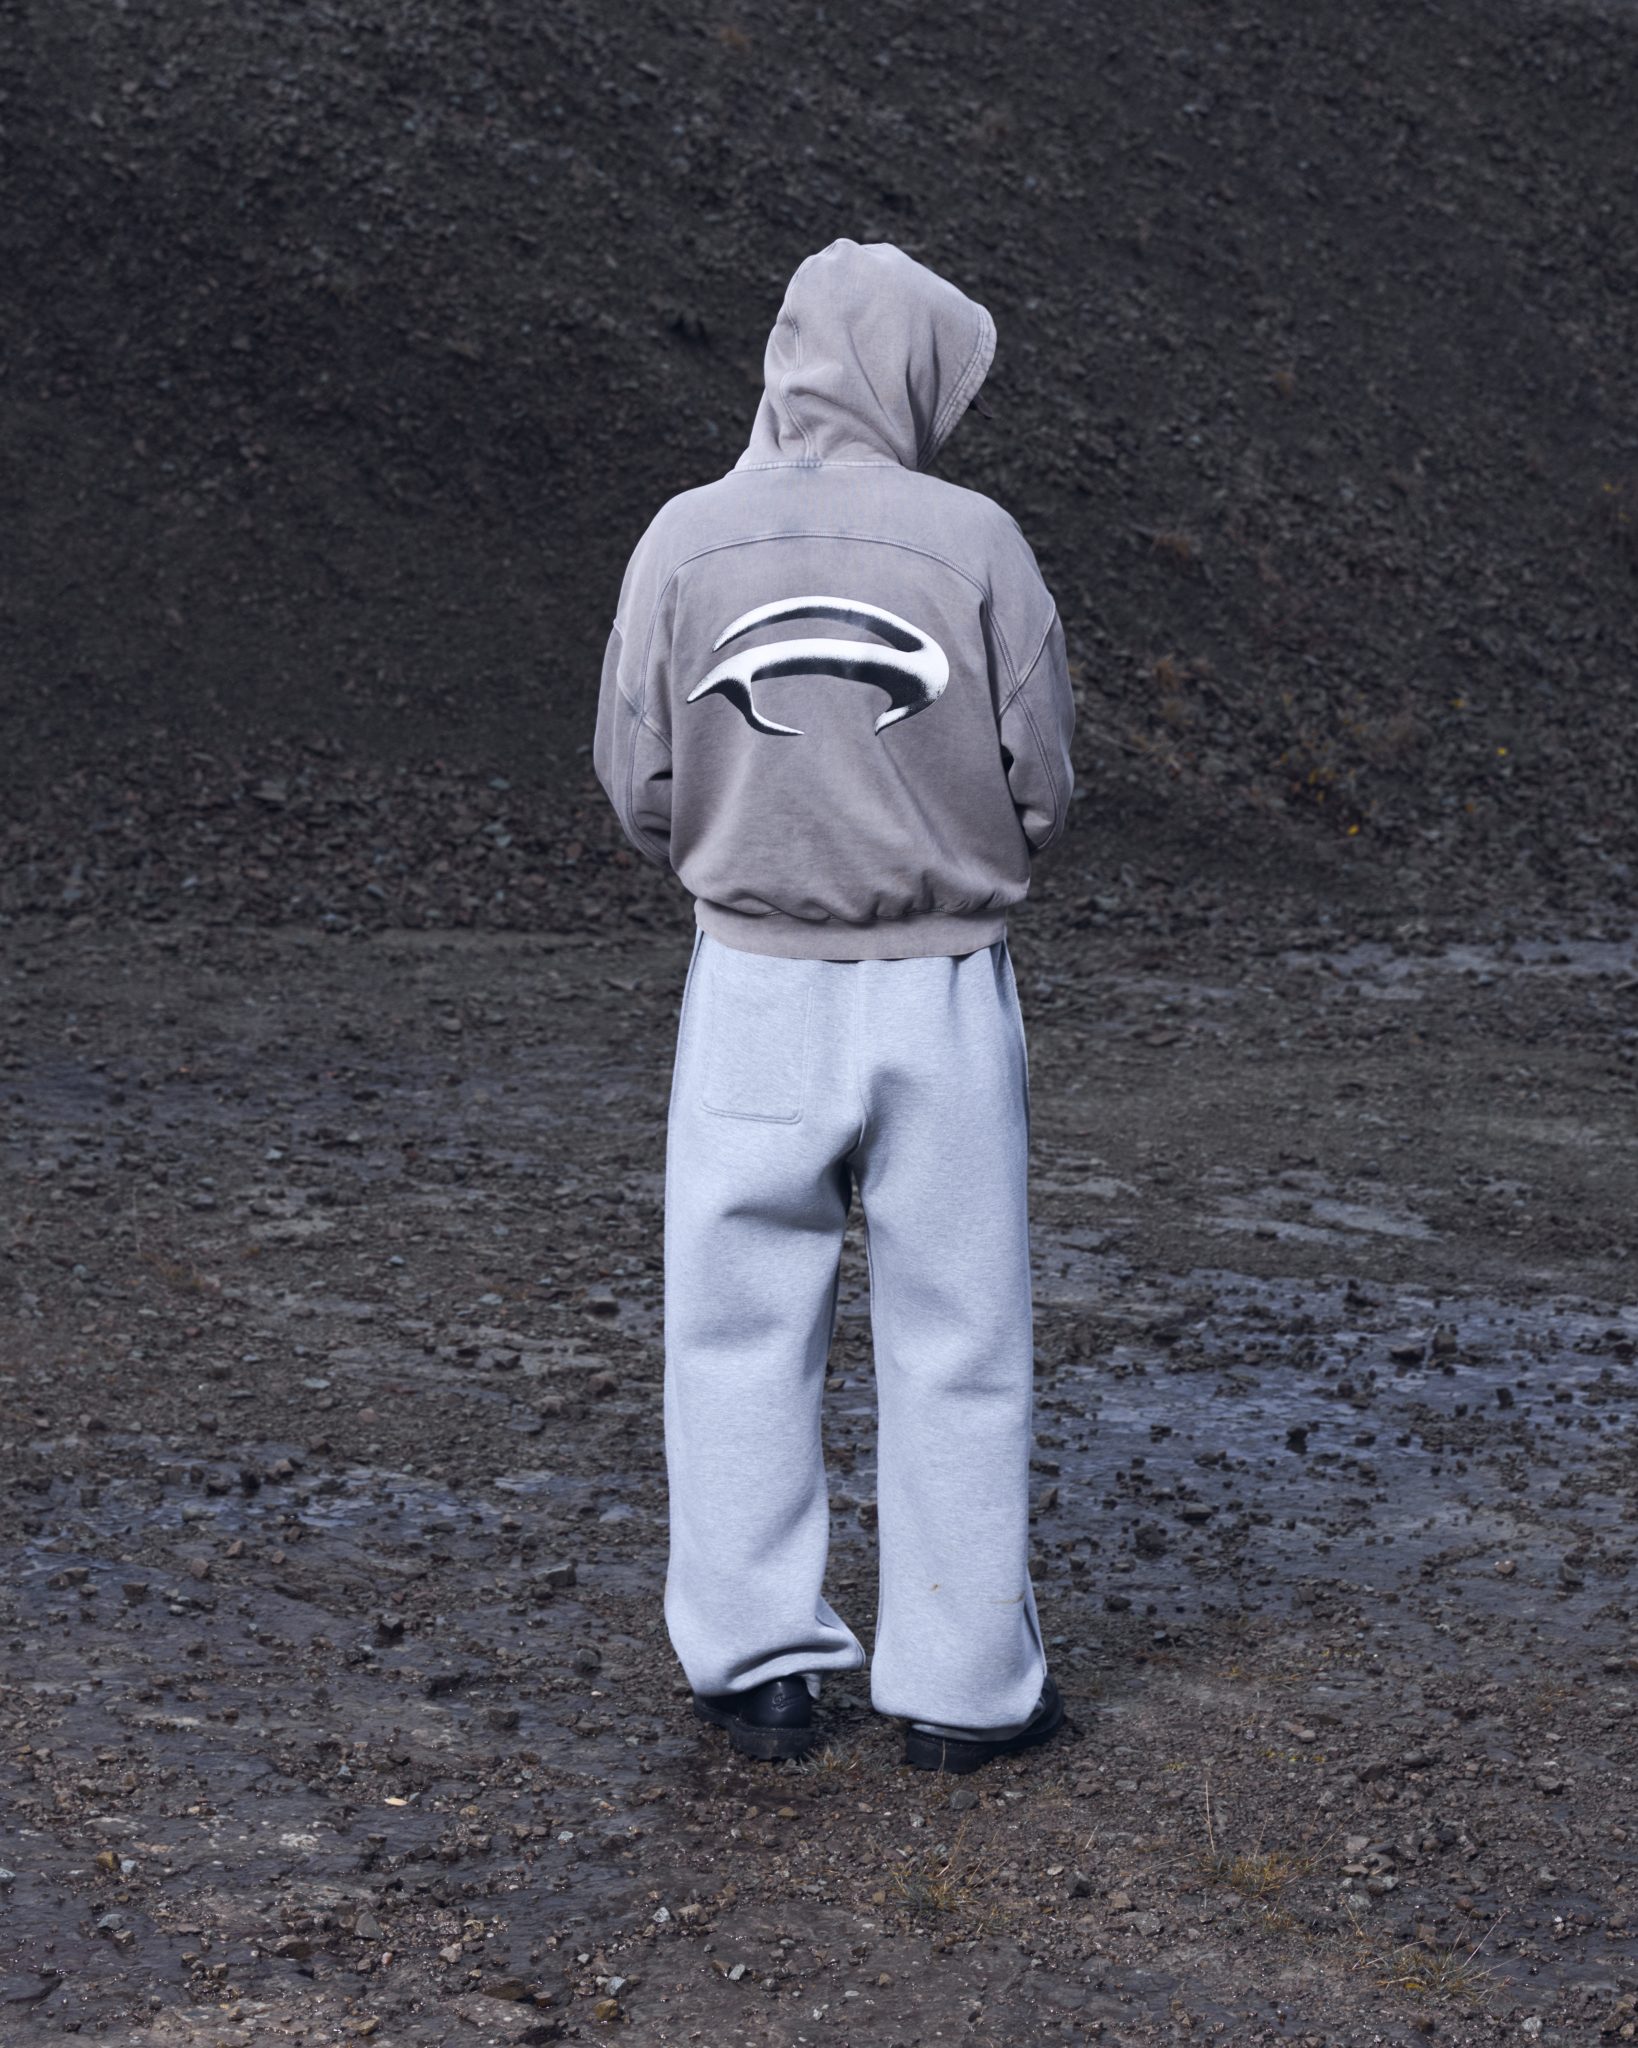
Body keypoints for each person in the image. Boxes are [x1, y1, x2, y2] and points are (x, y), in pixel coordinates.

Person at [593, 238, 1075, 1774]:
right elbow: (1042, 777)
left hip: (751, 984)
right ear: (909, 372)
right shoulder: (975, 540)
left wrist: (745, 855)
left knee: (735, 1325)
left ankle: (755, 1673)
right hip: (941, 991)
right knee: (959, 1336)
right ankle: (964, 1691)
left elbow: (635, 775)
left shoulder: (684, 537)